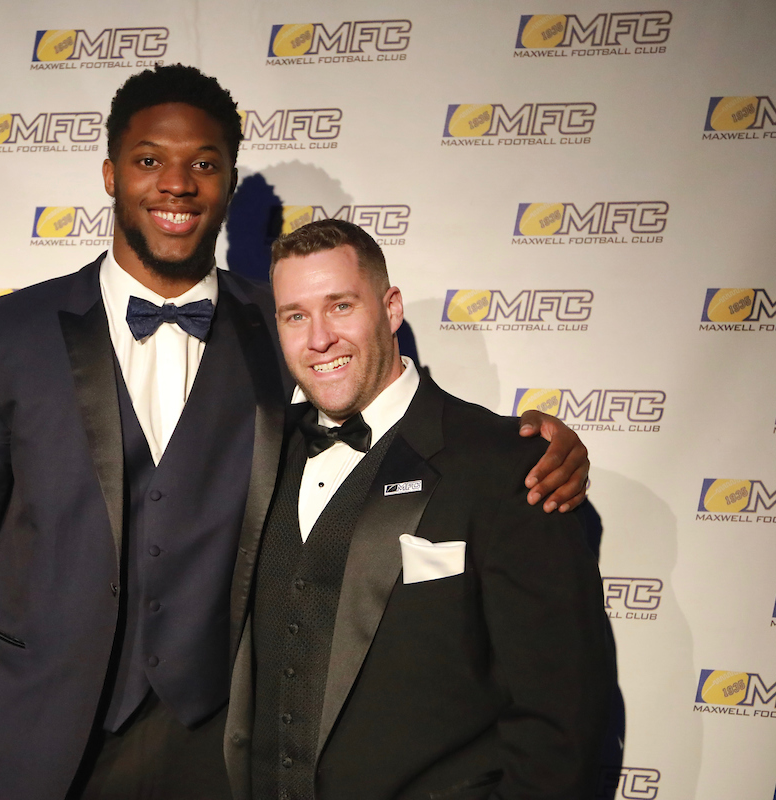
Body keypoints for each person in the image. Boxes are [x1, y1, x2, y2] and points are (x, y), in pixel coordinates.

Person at [0, 65, 590, 800]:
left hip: (222, 746)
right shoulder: (8, 335)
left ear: (226, 180)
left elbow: (404, 419)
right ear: (109, 173)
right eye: (150, 159)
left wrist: (532, 443)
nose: (177, 183)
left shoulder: (285, 323)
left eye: (205, 164)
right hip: (33, 734)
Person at [225, 219, 614, 800]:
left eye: (340, 306)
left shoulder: (505, 464)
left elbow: (560, 713)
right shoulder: (258, 456)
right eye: (296, 316)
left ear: (391, 308)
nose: (320, 338)